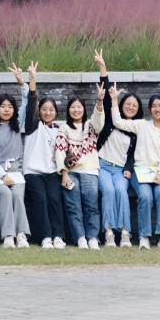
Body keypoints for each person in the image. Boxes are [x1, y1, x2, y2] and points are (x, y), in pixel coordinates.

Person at [108, 83, 160, 251]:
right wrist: (114, 101)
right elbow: (117, 122)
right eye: (154, 106)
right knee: (145, 196)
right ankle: (144, 236)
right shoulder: (142, 125)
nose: (157, 109)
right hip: (140, 172)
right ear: (149, 109)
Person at [94, 49, 138, 248]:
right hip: (103, 165)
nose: (130, 107)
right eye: (128, 104)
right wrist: (103, 69)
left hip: (120, 169)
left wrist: (128, 168)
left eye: (134, 106)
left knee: (120, 191)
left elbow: (134, 154)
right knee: (109, 191)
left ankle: (126, 232)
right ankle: (109, 232)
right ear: (121, 105)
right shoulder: (112, 121)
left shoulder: (137, 129)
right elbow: (105, 99)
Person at [0, 63, 31, 248]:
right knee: (4, 194)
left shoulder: (16, 123)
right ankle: (8, 236)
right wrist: (3, 176)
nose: (6, 109)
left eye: (10, 106)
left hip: (16, 170)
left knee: (17, 195)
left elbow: (27, 99)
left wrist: (21, 82)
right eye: (3, 106)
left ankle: (21, 235)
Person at [22, 61, 66, 249]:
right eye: (44, 109)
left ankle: (59, 236)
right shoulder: (33, 126)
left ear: (56, 112)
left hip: (52, 172)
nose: (47, 112)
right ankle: (46, 236)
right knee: (40, 199)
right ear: (39, 112)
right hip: (33, 172)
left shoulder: (59, 130)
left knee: (55, 199)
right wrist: (32, 80)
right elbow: (32, 103)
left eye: (51, 110)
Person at [55, 88, 105, 250]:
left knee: (92, 206)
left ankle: (93, 237)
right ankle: (80, 238)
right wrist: (64, 173)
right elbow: (59, 151)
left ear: (84, 109)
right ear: (68, 110)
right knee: (73, 207)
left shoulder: (90, 126)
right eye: (73, 107)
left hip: (90, 171)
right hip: (71, 173)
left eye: (79, 107)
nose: (76, 110)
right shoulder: (64, 128)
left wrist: (99, 101)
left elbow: (99, 120)